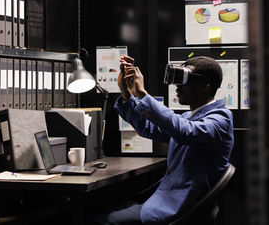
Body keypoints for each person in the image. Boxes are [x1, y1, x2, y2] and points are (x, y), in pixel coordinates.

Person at [91, 55, 234, 225]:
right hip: (165, 198)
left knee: (100, 220)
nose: (177, 87)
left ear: (205, 86)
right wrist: (127, 94)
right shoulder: (190, 116)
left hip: (180, 207)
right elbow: (148, 128)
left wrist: (143, 95)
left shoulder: (221, 119)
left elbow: (185, 132)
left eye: (184, 80)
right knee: (101, 208)